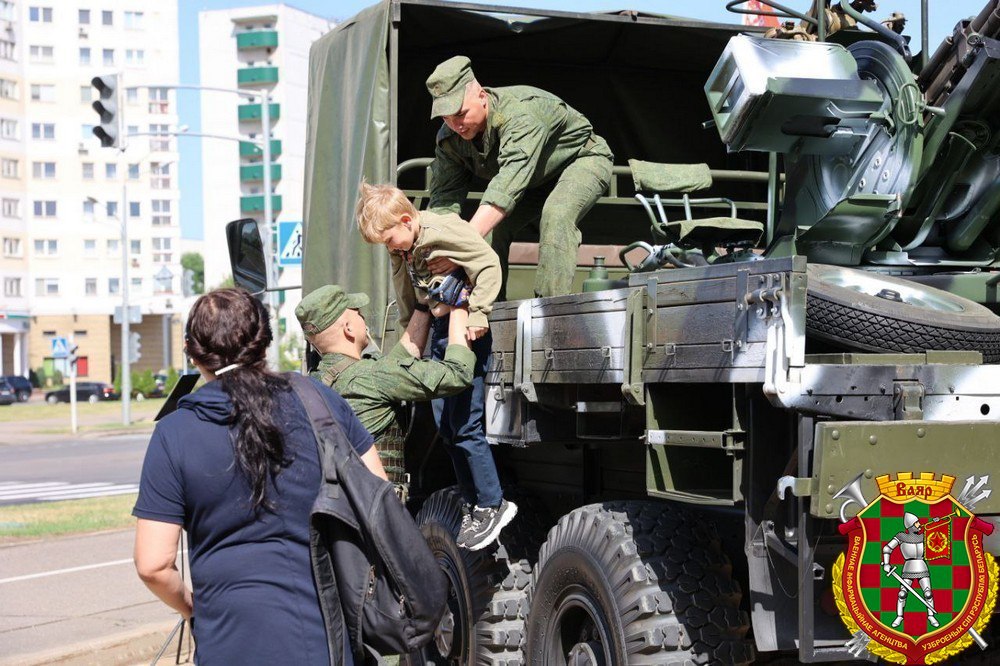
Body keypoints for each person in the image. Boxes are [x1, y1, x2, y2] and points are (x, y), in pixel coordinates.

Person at [132, 288, 386, 665]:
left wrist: (192, 609)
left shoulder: (174, 433)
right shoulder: (319, 402)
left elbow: (152, 565)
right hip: (322, 637)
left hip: (226, 641)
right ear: (264, 341)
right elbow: (379, 499)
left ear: (191, 351)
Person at [357, 182, 517, 551]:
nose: (391, 248)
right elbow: (404, 289)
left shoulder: (439, 231)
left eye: (390, 240)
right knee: (446, 428)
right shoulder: (404, 246)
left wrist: (479, 313)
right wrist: (409, 335)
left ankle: (492, 503)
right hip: (441, 333)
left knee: (465, 425)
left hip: (466, 332)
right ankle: (472, 502)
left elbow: (487, 263)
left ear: (406, 220)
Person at [426, 55, 615, 299]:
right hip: (534, 178)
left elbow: (505, 188)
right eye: (446, 118)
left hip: (581, 159)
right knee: (491, 229)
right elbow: (443, 200)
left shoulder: (521, 115)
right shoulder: (450, 139)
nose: (456, 124)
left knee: (556, 215)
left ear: (482, 96)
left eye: (461, 114)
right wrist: (437, 243)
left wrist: (460, 248)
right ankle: (488, 307)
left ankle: (550, 309)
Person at [295, 283, 476, 487]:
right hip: (380, 503)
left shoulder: (314, 382)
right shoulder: (374, 375)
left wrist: (423, 306)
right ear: (348, 328)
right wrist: (459, 303)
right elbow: (458, 373)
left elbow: (397, 364)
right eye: (358, 313)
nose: (363, 317)